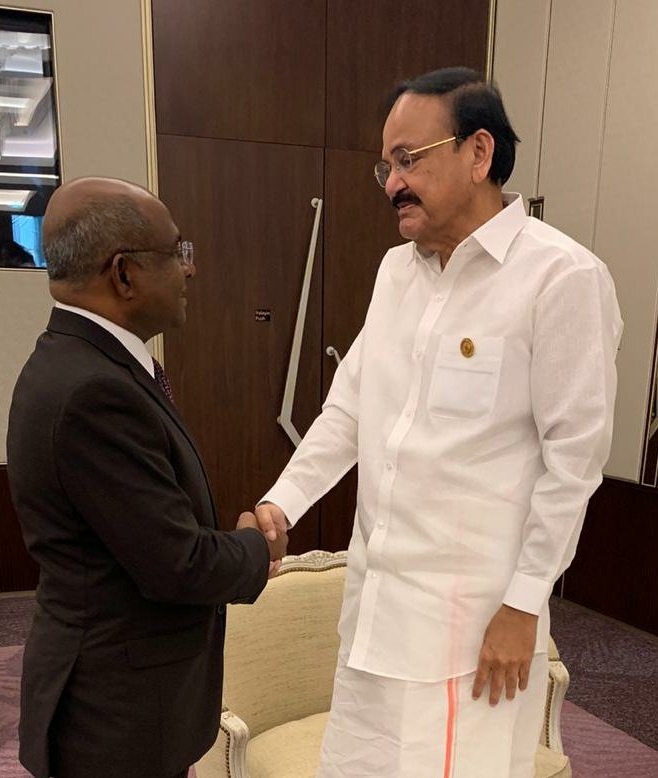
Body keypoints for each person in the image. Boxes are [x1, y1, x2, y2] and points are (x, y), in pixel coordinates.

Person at [254, 68, 623, 778]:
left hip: (472, 636)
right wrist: (282, 504)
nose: (392, 183)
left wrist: (523, 608)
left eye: (409, 160)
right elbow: (350, 408)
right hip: (374, 615)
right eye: (385, 166)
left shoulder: (562, 278)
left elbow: (572, 462)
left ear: (479, 152)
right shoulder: (397, 273)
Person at [6, 177, 287, 778]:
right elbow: (175, 563)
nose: (193, 269)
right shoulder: (92, 392)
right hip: (114, 714)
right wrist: (256, 548)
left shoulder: (83, 362)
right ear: (125, 274)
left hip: (121, 695)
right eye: (178, 252)